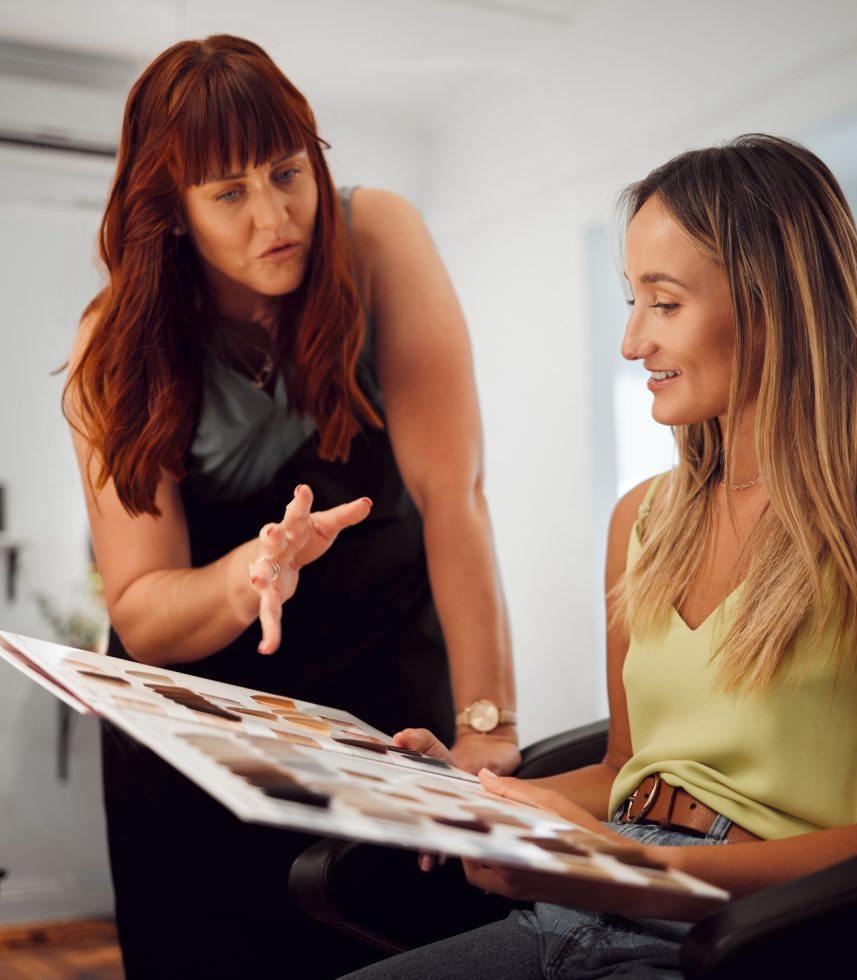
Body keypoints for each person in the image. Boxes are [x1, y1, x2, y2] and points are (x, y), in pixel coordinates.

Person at [340, 134, 857, 979]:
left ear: (772, 303)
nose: (631, 343)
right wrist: (475, 796)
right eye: (631, 302)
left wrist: (642, 875)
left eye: (663, 304)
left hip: (769, 938)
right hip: (592, 907)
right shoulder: (641, 523)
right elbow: (629, 771)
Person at [63, 35, 520, 980]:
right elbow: (140, 606)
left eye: (287, 172)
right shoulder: (115, 345)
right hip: (201, 713)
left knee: (405, 934)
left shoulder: (379, 236)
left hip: (383, 678)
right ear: (174, 214)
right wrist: (248, 575)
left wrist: (488, 730)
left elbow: (454, 496)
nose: (276, 215)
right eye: (228, 192)